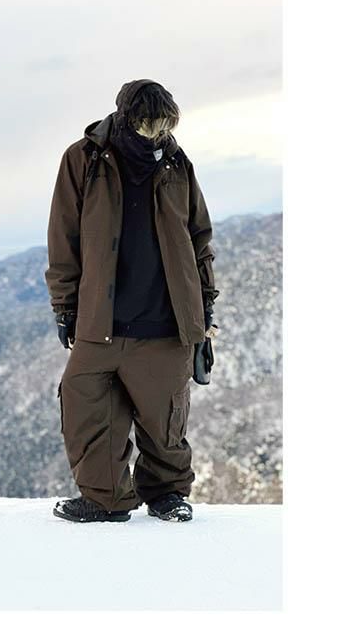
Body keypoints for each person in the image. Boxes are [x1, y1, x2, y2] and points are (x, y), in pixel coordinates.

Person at [44, 78, 219, 523]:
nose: (155, 135)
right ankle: (105, 499)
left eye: (164, 127)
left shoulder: (177, 163)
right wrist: (65, 307)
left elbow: (198, 239)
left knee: (165, 421)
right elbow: (64, 239)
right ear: (127, 118)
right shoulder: (84, 159)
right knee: (87, 412)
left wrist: (205, 307)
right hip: (99, 320)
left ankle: (167, 495)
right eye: (148, 125)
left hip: (166, 321)